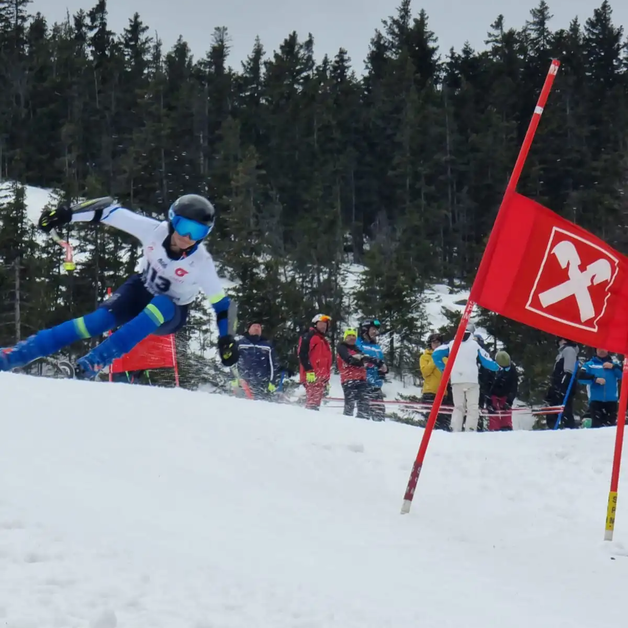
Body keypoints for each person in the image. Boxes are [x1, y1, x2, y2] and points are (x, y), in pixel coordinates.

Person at [0, 195, 238, 376]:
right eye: (184, 225)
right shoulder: (154, 231)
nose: (187, 236)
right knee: (95, 322)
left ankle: (91, 364)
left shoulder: (201, 262)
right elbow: (108, 212)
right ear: (172, 220)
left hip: (171, 313)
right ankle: (13, 356)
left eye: (197, 231)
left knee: (163, 303)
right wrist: (66, 214)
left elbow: (222, 304)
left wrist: (226, 338)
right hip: (140, 289)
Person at [433, 323, 500, 432]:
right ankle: (470, 429)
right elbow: (486, 361)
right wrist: (498, 367)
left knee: (458, 407)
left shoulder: (451, 344)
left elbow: (436, 354)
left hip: (456, 380)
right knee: (472, 407)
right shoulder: (475, 345)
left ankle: (455, 429)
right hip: (471, 380)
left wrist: (445, 369)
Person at [234, 321, 280, 400]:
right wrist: (234, 378)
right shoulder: (240, 344)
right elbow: (233, 362)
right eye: (254, 326)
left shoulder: (267, 346)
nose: (257, 328)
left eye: (259, 327)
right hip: (243, 383)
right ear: (249, 329)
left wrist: (272, 382)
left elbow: (273, 365)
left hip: (261, 384)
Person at [579, 349, 622, 428]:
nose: (601, 351)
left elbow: (623, 375)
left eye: (604, 348)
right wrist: (594, 379)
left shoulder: (615, 364)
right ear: (595, 350)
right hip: (596, 401)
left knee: (610, 428)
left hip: (611, 402)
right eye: (599, 348)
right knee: (597, 427)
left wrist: (613, 367)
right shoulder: (589, 365)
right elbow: (580, 377)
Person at [298, 314, 333, 410]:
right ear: (315, 324)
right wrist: (309, 370)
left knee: (316, 403)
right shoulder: (309, 336)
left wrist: (326, 378)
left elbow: (326, 361)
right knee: (312, 403)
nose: (323, 326)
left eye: (325, 325)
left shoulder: (324, 341)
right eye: (321, 324)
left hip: (321, 377)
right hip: (311, 375)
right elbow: (302, 354)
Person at [356, 319, 388, 421]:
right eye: (373, 329)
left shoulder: (376, 346)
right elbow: (357, 359)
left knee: (379, 418)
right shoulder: (357, 343)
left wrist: (384, 369)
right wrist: (372, 362)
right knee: (363, 418)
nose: (375, 332)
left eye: (376, 330)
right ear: (365, 330)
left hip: (376, 386)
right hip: (363, 384)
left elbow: (382, 362)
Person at [545, 338, 579, 429]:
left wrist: (563, 384)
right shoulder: (563, 352)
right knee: (554, 406)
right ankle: (554, 426)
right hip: (558, 383)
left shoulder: (569, 350)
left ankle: (568, 427)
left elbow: (568, 370)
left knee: (564, 407)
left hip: (563, 384)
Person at [419, 332, 450, 430]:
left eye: (438, 342)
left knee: (443, 424)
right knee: (430, 424)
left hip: (443, 393)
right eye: (434, 342)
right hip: (429, 392)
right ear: (430, 343)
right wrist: (434, 359)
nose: (436, 344)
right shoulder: (425, 357)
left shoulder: (446, 358)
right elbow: (425, 372)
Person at [337, 328, 370, 419]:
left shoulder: (357, 349)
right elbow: (349, 360)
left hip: (361, 379)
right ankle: (347, 424)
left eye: (353, 336)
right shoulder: (342, 347)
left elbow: (367, 361)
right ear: (345, 337)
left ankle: (363, 423)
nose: (352, 337)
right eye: (349, 335)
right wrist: (361, 361)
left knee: (364, 404)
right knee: (350, 405)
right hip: (348, 379)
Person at [486, 351, 518, 431]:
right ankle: (494, 431)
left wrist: (509, 401)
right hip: (493, 393)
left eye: (507, 368)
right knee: (493, 413)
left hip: (505, 393)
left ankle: (507, 428)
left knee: (506, 413)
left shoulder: (512, 370)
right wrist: (489, 402)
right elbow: (486, 385)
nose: (505, 370)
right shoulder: (490, 369)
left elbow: (514, 387)